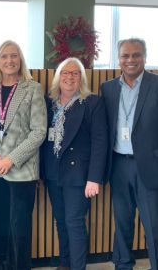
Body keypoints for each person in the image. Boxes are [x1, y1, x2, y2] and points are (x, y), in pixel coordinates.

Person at [40, 57, 108, 270]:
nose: (70, 77)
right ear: (58, 77)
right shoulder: (49, 102)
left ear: (81, 78)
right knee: (61, 222)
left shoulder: (91, 103)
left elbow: (100, 142)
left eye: (75, 73)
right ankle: (64, 264)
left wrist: (94, 178)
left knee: (74, 223)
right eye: (65, 73)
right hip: (53, 173)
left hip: (79, 176)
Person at [0, 40, 47, 270]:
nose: (9, 61)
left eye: (13, 56)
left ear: (20, 59)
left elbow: (39, 131)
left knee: (19, 226)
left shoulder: (33, 88)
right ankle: (2, 264)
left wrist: (12, 159)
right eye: (4, 57)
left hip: (21, 170)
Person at [101, 38, 158, 270]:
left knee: (154, 225)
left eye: (136, 55)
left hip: (150, 166)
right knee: (122, 223)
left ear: (145, 57)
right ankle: (123, 265)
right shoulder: (107, 89)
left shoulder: (157, 85)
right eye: (125, 56)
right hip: (118, 165)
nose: (131, 60)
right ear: (119, 59)